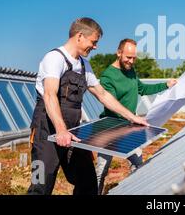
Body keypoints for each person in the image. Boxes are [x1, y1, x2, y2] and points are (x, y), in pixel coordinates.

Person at [28, 18, 148, 195]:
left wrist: (132, 117)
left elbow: (103, 95)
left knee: (89, 183)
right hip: (45, 133)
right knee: (40, 187)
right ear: (80, 36)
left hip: (73, 133)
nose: (95, 46)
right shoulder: (54, 58)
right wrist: (61, 130)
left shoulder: (84, 65)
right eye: (94, 42)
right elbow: (49, 94)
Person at [95, 38, 177, 195]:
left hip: (128, 128)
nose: (131, 61)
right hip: (109, 129)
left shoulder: (131, 71)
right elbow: (111, 104)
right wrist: (132, 117)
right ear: (119, 53)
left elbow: (143, 88)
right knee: (101, 171)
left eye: (134, 58)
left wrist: (165, 85)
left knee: (138, 165)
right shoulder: (107, 76)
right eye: (128, 57)